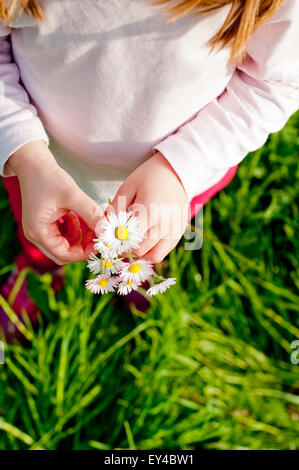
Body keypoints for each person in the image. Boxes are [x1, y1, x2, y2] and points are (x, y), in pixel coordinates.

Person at [0, 0, 298, 330]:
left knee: (148, 236)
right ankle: (39, 267)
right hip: (42, 163)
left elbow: (277, 81)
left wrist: (179, 169)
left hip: (180, 174)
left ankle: (131, 265)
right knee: (45, 229)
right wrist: (27, 157)